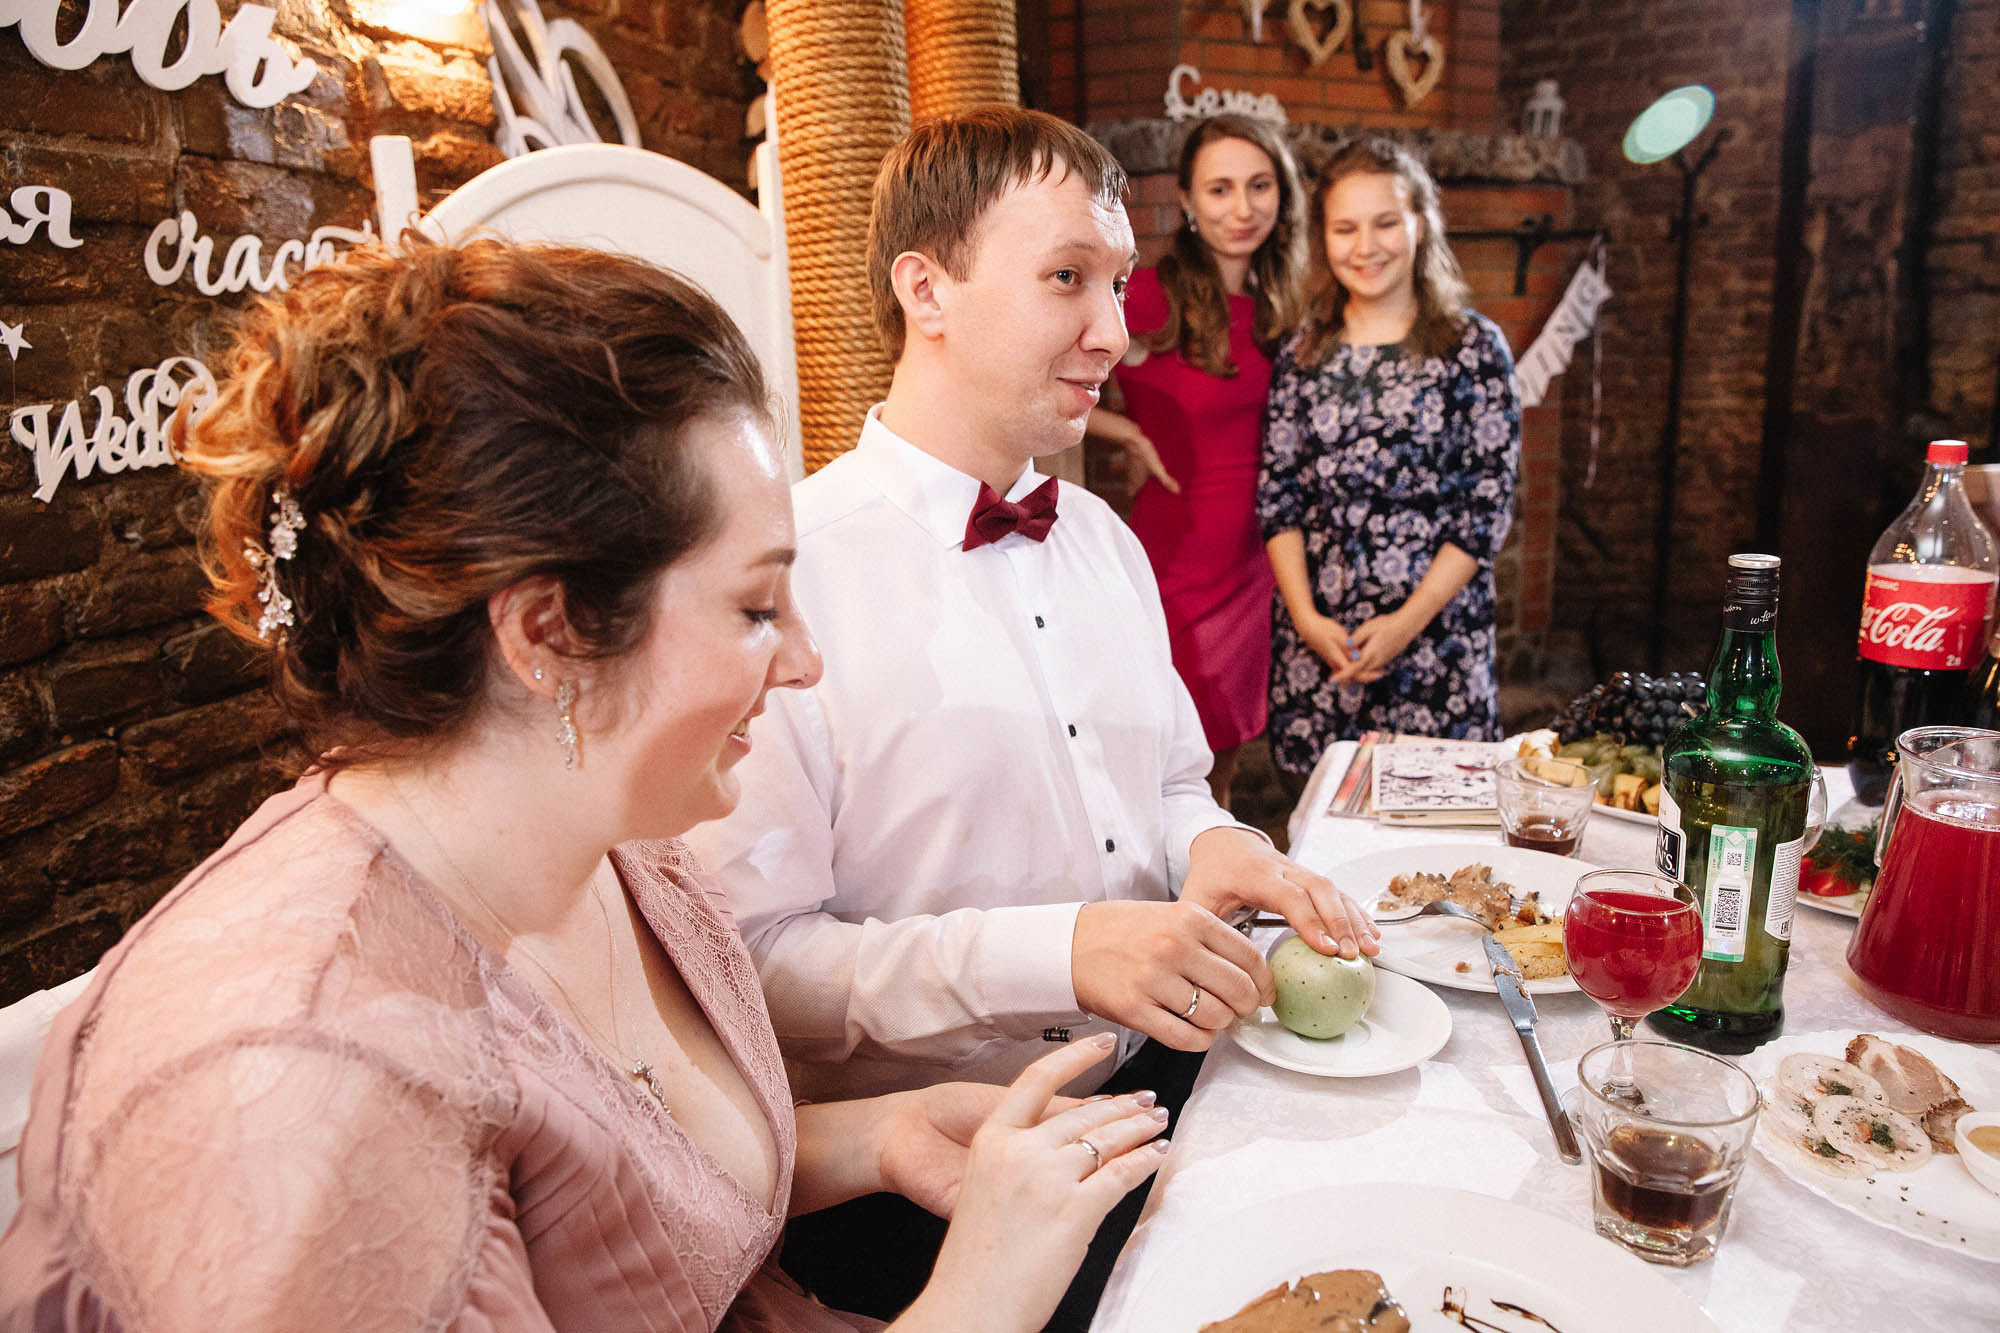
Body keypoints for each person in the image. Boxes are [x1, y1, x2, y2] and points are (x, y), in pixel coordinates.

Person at [0, 238, 1173, 1333]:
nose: (806, 659)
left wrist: (879, 1133)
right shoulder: (311, 1098)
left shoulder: (627, 838)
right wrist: (973, 1301)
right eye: (756, 608)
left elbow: (618, 1196)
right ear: (547, 632)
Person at [683, 107, 1377, 1329]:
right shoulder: (786, 577)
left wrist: (1223, 850)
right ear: (926, 289)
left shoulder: (1102, 540)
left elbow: (1169, 786)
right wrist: (1060, 953)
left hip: (1152, 1099)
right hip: (930, 1190)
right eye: (1066, 279)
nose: (1113, 333)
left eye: (1116, 284)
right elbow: (750, 964)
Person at [1259, 136, 1522, 787]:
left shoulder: (1473, 348)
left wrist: (1406, 623)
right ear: (1324, 236)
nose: (1365, 246)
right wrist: (1306, 619)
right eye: (1345, 227)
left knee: (1436, 851)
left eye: (1385, 222)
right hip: (1321, 645)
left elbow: (1486, 507)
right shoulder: (1300, 354)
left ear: (1421, 223)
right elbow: (1278, 496)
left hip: (1435, 641)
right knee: (1324, 843)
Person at [1086, 114, 1309, 808]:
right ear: (1187, 200)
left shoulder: (1290, 301)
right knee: (1164, 759)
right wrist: (1123, 431)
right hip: (1175, 558)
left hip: (1260, 563)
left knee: (1226, 764)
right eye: (1219, 190)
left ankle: (1219, 900)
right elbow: (1028, 374)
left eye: (1259, 185)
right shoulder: (1149, 294)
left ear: (1282, 193)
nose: (1242, 209)